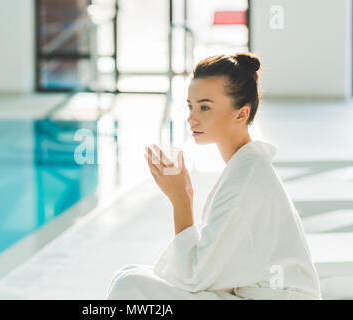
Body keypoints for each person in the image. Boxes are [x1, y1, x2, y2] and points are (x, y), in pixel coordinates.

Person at [105, 52, 322, 300]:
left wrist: (181, 199)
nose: (191, 118)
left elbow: (194, 278)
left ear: (241, 114)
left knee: (129, 285)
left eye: (205, 107)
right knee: (128, 275)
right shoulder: (246, 167)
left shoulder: (247, 176)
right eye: (190, 106)